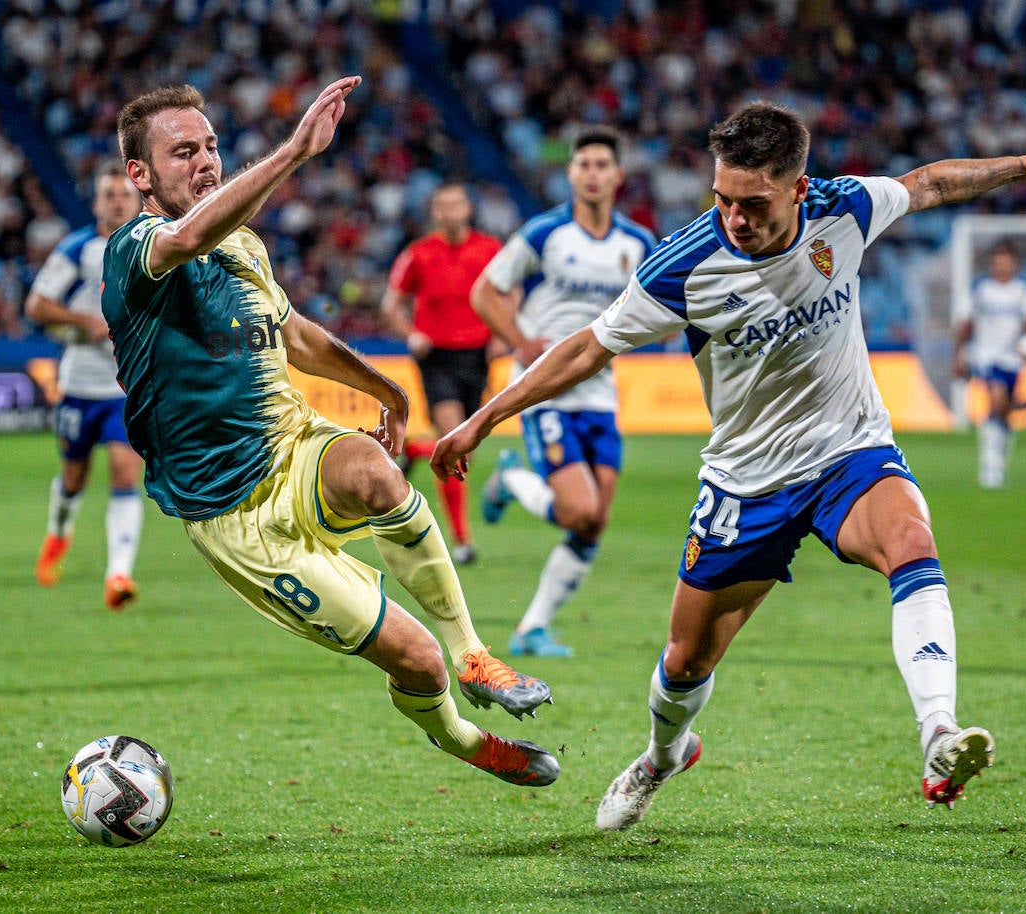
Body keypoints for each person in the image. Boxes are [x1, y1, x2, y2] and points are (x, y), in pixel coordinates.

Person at [434, 101, 1026, 827]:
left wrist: (1023, 165)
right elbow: (588, 347)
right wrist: (485, 418)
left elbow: (928, 184)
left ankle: (938, 733)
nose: (734, 218)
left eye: (752, 203)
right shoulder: (686, 266)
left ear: (798, 189)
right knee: (684, 662)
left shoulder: (846, 210)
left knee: (912, 543)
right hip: (745, 483)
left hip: (848, 453)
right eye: (722, 199)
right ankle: (660, 758)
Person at [100, 78, 557, 788]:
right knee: (415, 662)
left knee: (377, 473)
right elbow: (188, 236)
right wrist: (295, 151)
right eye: (183, 152)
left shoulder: (244, 246)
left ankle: (474, 652)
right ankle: (466, 739)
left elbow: (293, 333)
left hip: (289, 445)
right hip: (232, 512)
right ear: (141, 175)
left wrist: (384, 387)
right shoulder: (135, 249)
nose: (206, 161)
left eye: (212, 146)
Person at [469, 126, 656, 658]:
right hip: (545, 388)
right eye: (584, 164)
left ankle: (531, 628)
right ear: (571, 173)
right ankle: (512, 477)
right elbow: (485, 291)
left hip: (599, 392)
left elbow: (666, 306)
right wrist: (520, 340)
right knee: (578, 511)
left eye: (603, 164)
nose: (593, 173)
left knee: (595, 523)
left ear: (618, 176)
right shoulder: (546, 232)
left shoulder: (637, 244)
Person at [29, 162, 146, 609]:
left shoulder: (151, 247)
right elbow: (37, 305)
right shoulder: (77, 249)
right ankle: (58, 535)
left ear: (136, 200)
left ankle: (118, 575)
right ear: (97, 203)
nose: (117, 201)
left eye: (124, 195)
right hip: (79, 383)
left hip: (124, 389)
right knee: (74, 477)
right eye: (109, 195)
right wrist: (86, 322)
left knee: (124, 471)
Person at [379, 183, 502, 566]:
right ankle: (462, 540)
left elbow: (509, 293)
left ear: (468, 209)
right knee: (454, 439)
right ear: (435, 212)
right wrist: (410, 334)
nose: (450, 212)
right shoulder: (418, 253)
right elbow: (391, 305)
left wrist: (502, 335)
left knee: (466, 447)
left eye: (457, 204)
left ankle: (415, 450)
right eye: (443, 206)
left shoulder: (491, 250)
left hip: (478, 356)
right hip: (436, 356)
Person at [952, 241, 1026, 488]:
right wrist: (959, 355)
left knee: (1004, 411)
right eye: (998, 260)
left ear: (1014, 263)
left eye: (1007, 260)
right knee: (995, 399)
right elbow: (964, 324)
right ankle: (989, 465)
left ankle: (1000, 455)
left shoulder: (1023, 289)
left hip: (1012, 359)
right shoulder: (980, 288)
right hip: (985, 355)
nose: (1002, 265)